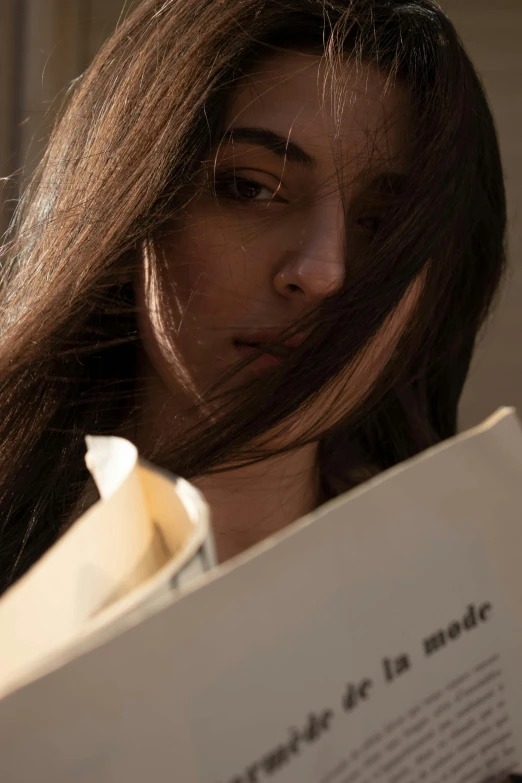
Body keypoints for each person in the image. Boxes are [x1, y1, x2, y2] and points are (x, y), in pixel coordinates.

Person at [0, 0, 506, 592]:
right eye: (250, 189)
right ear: (132, 206)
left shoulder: (482, 589)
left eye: (386, 224)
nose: (322, 272)